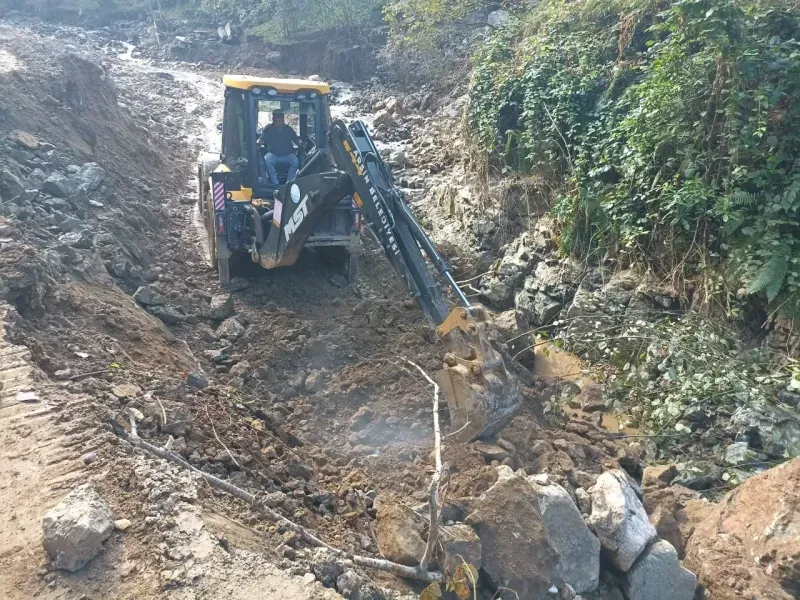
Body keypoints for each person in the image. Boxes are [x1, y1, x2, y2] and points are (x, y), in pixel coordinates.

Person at [259, 110, 301, 186]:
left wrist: (301, 145)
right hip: (273, 155)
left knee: (295, 161)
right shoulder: (268, 130)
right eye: (277, 119)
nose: (279, 122)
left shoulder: (289, 130)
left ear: (283, 119)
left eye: (280, 119)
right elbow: (261, 141)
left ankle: (289, 183)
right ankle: (275, 183)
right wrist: (257, 144)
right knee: (267, 160)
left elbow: (297, 141)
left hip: (288, 155)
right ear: (273, 119)